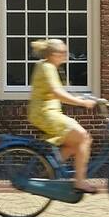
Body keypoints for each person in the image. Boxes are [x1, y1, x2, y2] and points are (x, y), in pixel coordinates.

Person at [28, 39, 98, 194]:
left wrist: (81, 97)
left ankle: (48, 172)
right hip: (45, 114)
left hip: (47, 113)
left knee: (75, 143)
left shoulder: (49, 67)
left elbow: (60, 92)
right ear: (54, 54)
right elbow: (57, 93)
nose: (66, 55)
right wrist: (80, 103)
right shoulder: (47, 68)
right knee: (83, 137)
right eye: (63, 52)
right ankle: (79, 182)